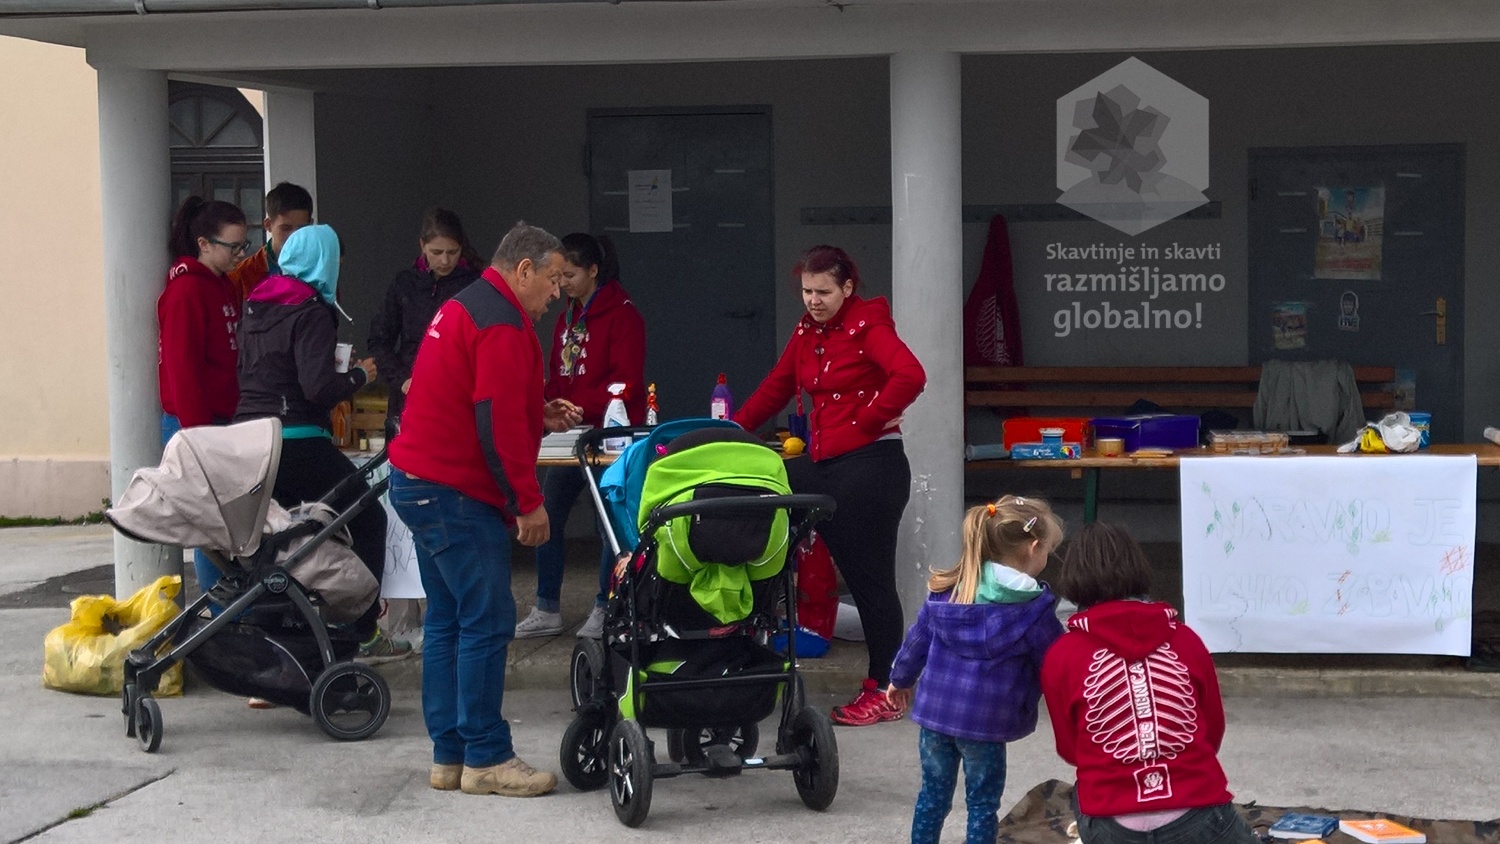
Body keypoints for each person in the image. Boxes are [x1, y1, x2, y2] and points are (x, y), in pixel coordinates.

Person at [388, 221, 581, 798]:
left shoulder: (466, 305)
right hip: (455, 493)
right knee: (489, 620)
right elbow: (493, 423)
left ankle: (449, 756)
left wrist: (535, 410)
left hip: (419, 484)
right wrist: (529, 502)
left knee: (448, 620)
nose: (556, 294)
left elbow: (477, 398)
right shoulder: (499, 320)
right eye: (551, 281)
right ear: (523, 270)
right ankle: (487, 756)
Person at [734, 244, 927, 726]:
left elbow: (911, 374)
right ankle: (739, 650)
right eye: (806, 291)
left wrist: (869, 417)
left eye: (823, 291)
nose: (813, 300)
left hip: (871, 466)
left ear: (847, 288)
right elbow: (777, 387)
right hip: (824, 463)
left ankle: (886, 689)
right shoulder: (807, 330)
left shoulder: (869, 325)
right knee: (753, 494)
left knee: (870, 581)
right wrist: (730, 433)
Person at [234, 224, 407, 661]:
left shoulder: (258, 300)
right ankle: (362, 628)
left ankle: (277, 642)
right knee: (366, 520)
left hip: (254, 439)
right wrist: (358, 376)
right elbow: (317, 388)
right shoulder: (311, 308)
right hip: (299, 439)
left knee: (279, 539)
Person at [1040, 522, 1258, 844]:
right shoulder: (1187, 640)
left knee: (1082, 798)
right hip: (1196, 810)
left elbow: (1071, 749)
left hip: (1109, 820)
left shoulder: (1061, 655)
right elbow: (1211, 731)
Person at [887, 495, 1065, 844]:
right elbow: (1057, 664)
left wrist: (899, 679)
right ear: (1032, 548)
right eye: (1048, 549)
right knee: (982, 804)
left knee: (932, 796)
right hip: (987, 726)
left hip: (936, 718)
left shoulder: (947, 591)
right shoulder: (1033, 610)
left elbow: (916, 641)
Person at [516, 232, 646, 640]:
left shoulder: (623, 315)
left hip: (609, 437)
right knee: (548, 512)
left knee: (609, 520)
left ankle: (605, 606)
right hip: (568, 433)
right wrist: (552, 403)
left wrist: (576, 406)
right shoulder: (566, 317)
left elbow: (626, 382)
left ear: (593, 271)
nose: (562, 283)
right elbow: (557, 374)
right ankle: (546, 607)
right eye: (558, 276)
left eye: (569, 274)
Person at [159, 196, 250, 608]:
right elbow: (183, 371)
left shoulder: (221, 285)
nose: (240, 255)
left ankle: (226, 612)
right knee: (211, 529)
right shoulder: (186, 292)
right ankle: (219, 616)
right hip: (198, 424)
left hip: (220, 420)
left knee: (224, 527)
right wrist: (196, 436)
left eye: (243, 245)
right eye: (233, 247)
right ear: (204, 244)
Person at [366, 208, 484, 440]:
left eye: (453, 252)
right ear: (422, 246)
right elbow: (379, 340)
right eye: (436, 252)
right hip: (408, 399)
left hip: (457, 399)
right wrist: (403, 380)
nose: (445, 260)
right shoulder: (405, 283)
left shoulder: (475, 285)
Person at [227, 181, 314, 303]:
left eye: (301, 229)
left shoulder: (318, 270)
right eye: (285, 228)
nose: (294, 236)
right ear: (268, 225)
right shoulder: (242, 276)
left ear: (311, 225)